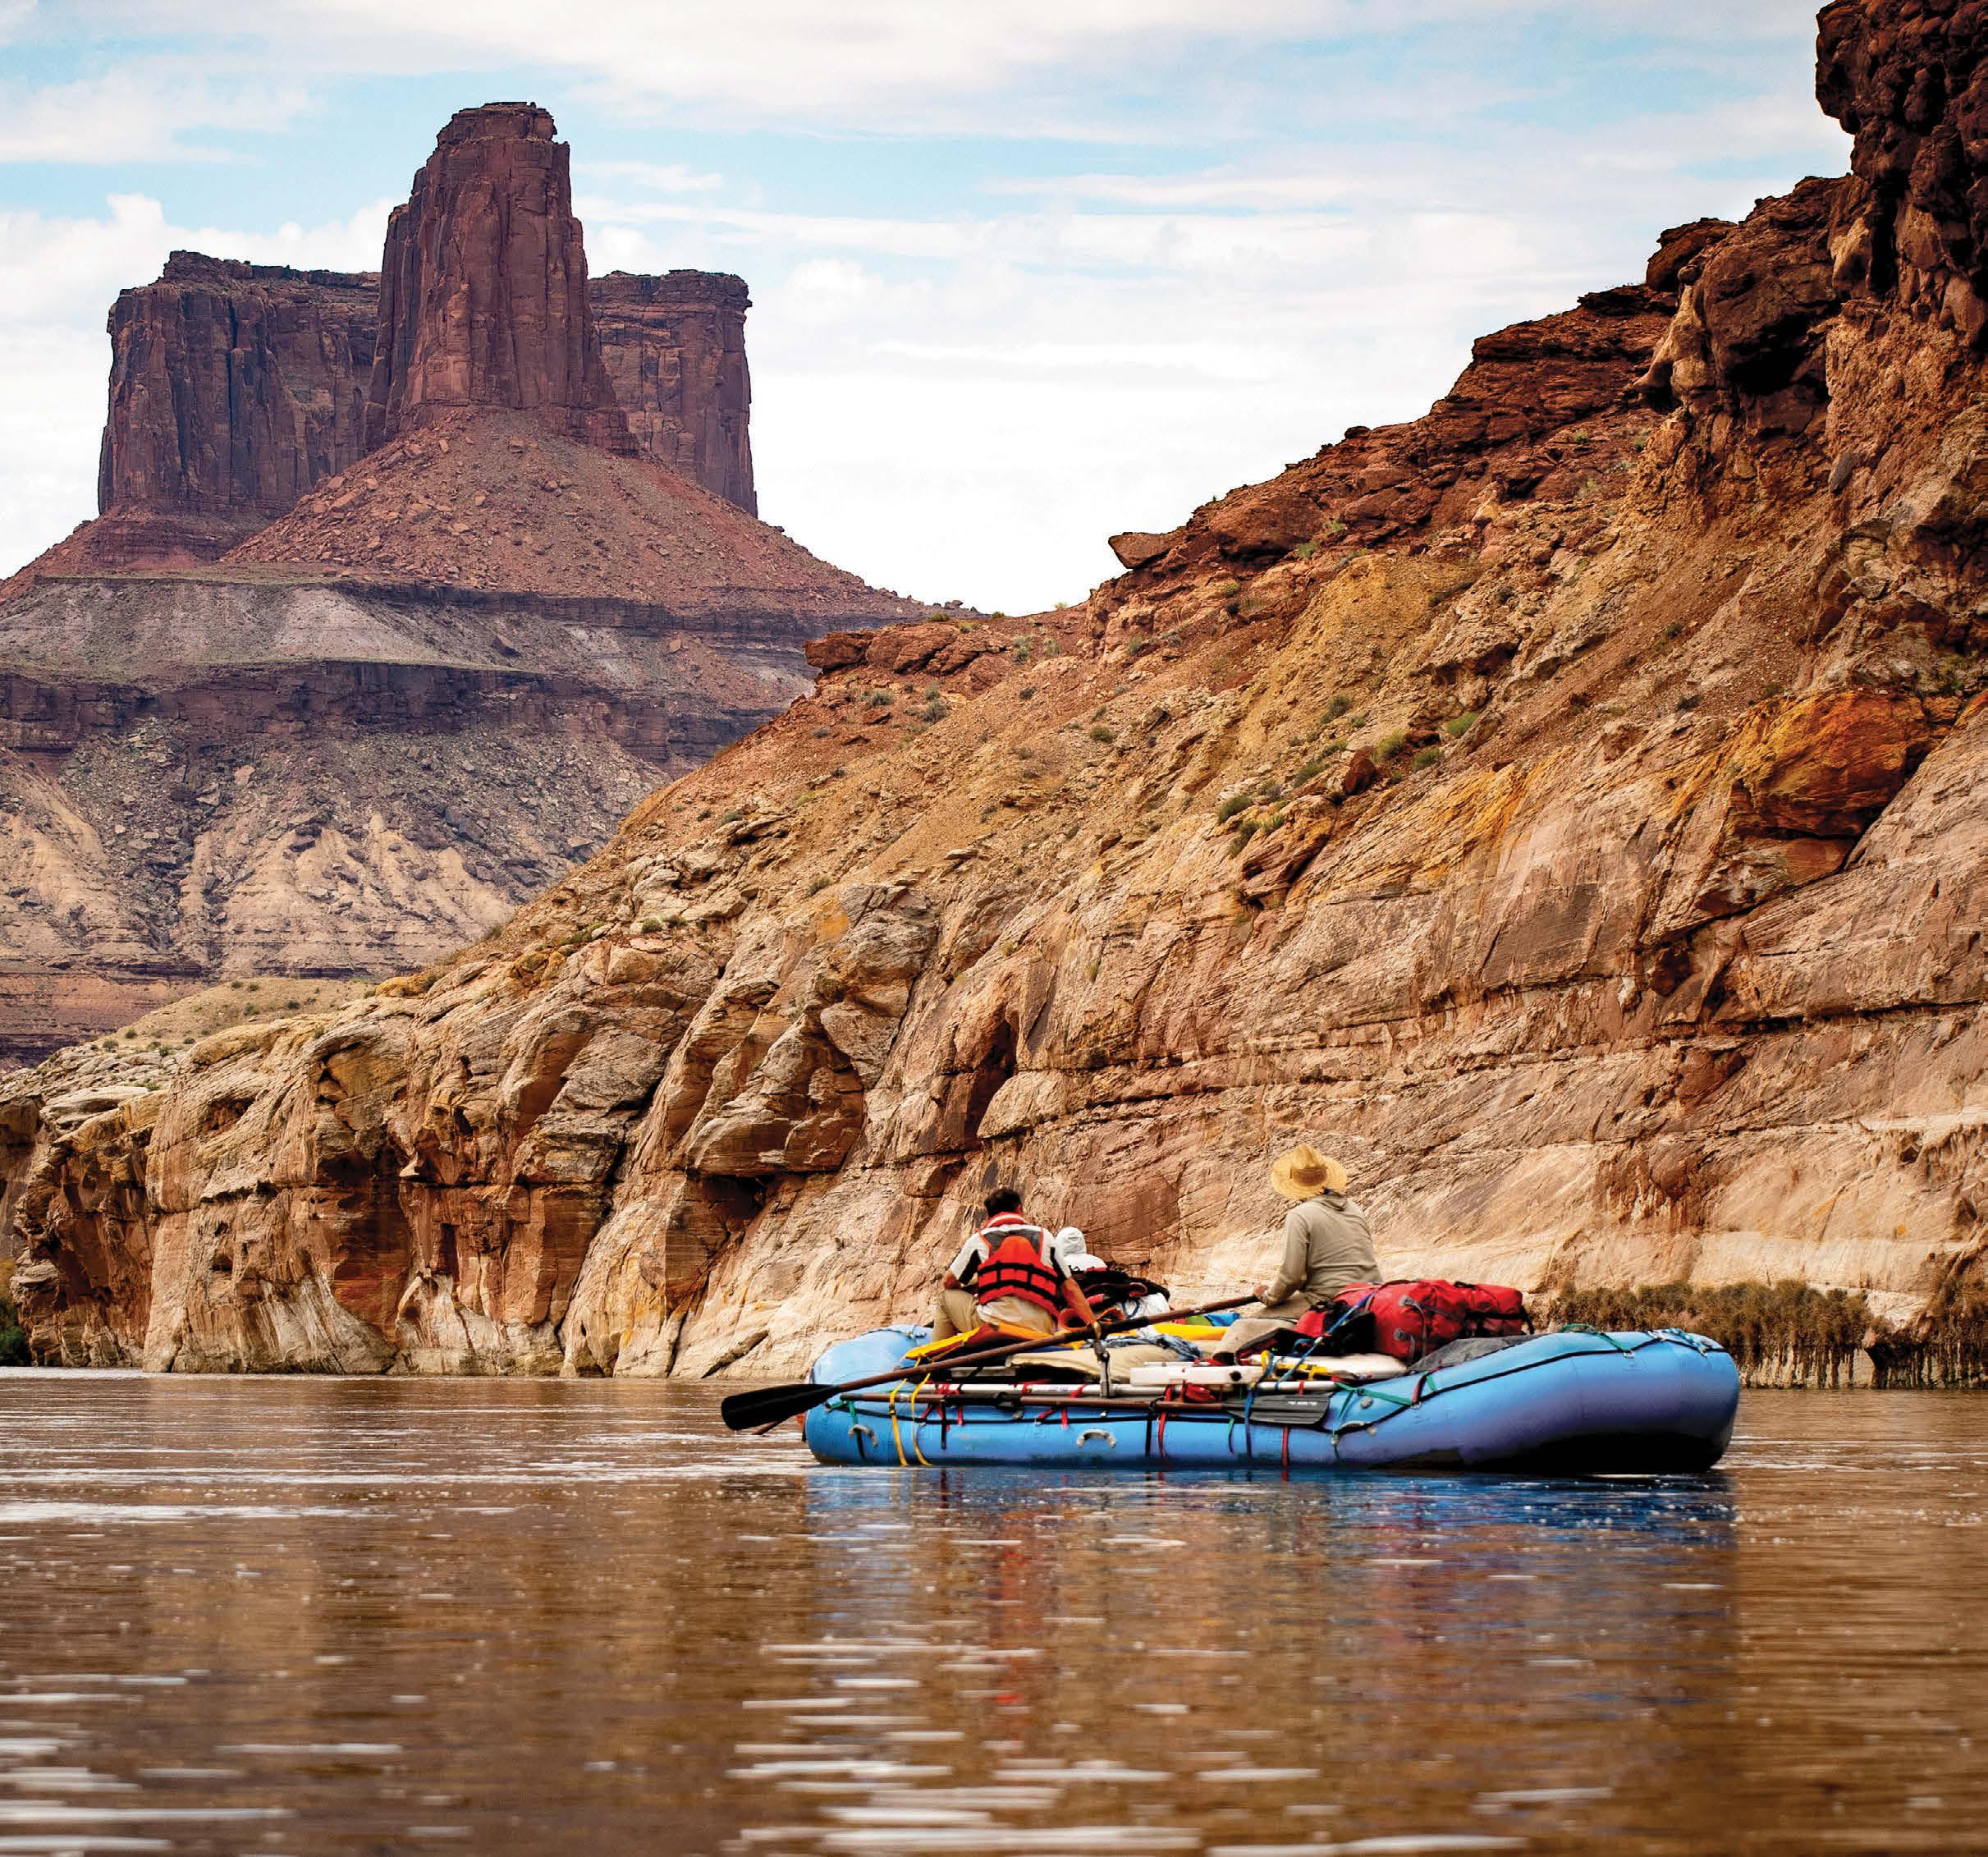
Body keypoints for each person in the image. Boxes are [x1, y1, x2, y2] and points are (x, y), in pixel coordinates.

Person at [1216, 1144, 1377, 1360]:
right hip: (1370, 1291)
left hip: (1329, 1297)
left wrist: (1268, 1297)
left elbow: (1293, 1276)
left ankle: (1222, 1362)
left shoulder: (1300, 1215)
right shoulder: (1354, 1208)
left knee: (1246, 1326)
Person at [929, 1189, 1097, 1344]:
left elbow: (948, 1282)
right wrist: (1094, 1325)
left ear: (989, 1215)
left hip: (994, 1324)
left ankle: (936, 1359)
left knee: (945, 1297)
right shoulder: (1045, 1236)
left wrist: (977, 1286)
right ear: (1019, 1209)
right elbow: (1070, 1288)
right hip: (1041, 1327)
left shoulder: (979, 1240)